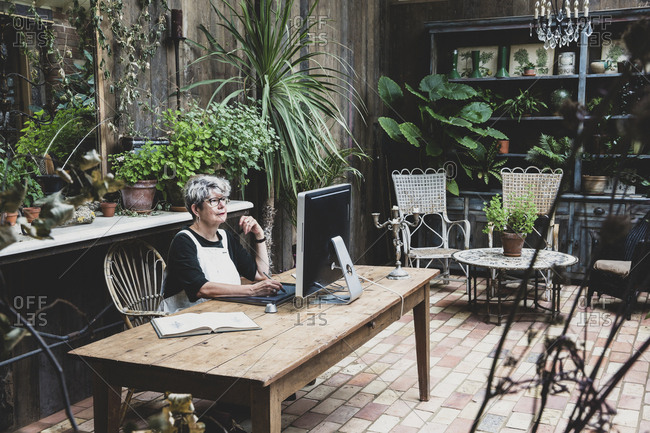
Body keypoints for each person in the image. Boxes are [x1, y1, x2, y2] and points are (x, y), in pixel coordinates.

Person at [160, 175, 283, 313]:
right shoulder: (183, 241)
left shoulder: (226, 238)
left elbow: (261, 275)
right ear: (196, 210)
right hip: (185, 319)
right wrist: (252, 290)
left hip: (224, 312)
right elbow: (201, 288)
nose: (222, 205)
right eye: (213, 200)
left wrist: (259, 235)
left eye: (223, 199)